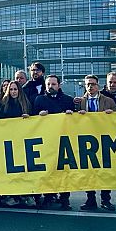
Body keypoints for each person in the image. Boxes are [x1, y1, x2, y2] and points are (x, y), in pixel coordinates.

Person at [74, 74, 116, 211]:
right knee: (88, 171)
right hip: (87, 141)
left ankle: (106, 200)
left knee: (105, 170)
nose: (90, 87)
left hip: (104, 140)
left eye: (93, 84)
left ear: (98, 85)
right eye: (88, 84)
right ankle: (90, 199)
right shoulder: (80, 102)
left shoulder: (108, 101)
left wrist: (112, 114)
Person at [34, 74, 75, 210]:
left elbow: (76, 121)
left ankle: (65, 199)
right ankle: (48, 196)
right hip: (46, 141)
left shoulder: (68, 100)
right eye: (48, 84)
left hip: (64, 140)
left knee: (64, 170)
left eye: (53, 84)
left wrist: (71, 115)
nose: (51, 87)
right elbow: (32, 120)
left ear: (59, 85)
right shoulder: (39, 99)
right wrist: (39, 116)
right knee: (48, 170)